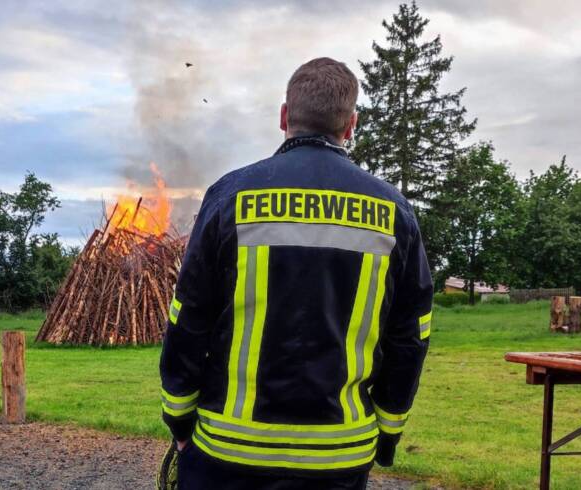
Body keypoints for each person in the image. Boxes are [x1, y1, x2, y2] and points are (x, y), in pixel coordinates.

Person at [159, 57, 432, 490]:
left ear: (284, 116)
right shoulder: (392, 211)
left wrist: (177, 416)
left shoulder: (230, 197)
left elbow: (189, 316)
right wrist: (388, 431)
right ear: (350, 126)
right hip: (340, 456)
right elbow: (410, 335)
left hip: (229, 452)